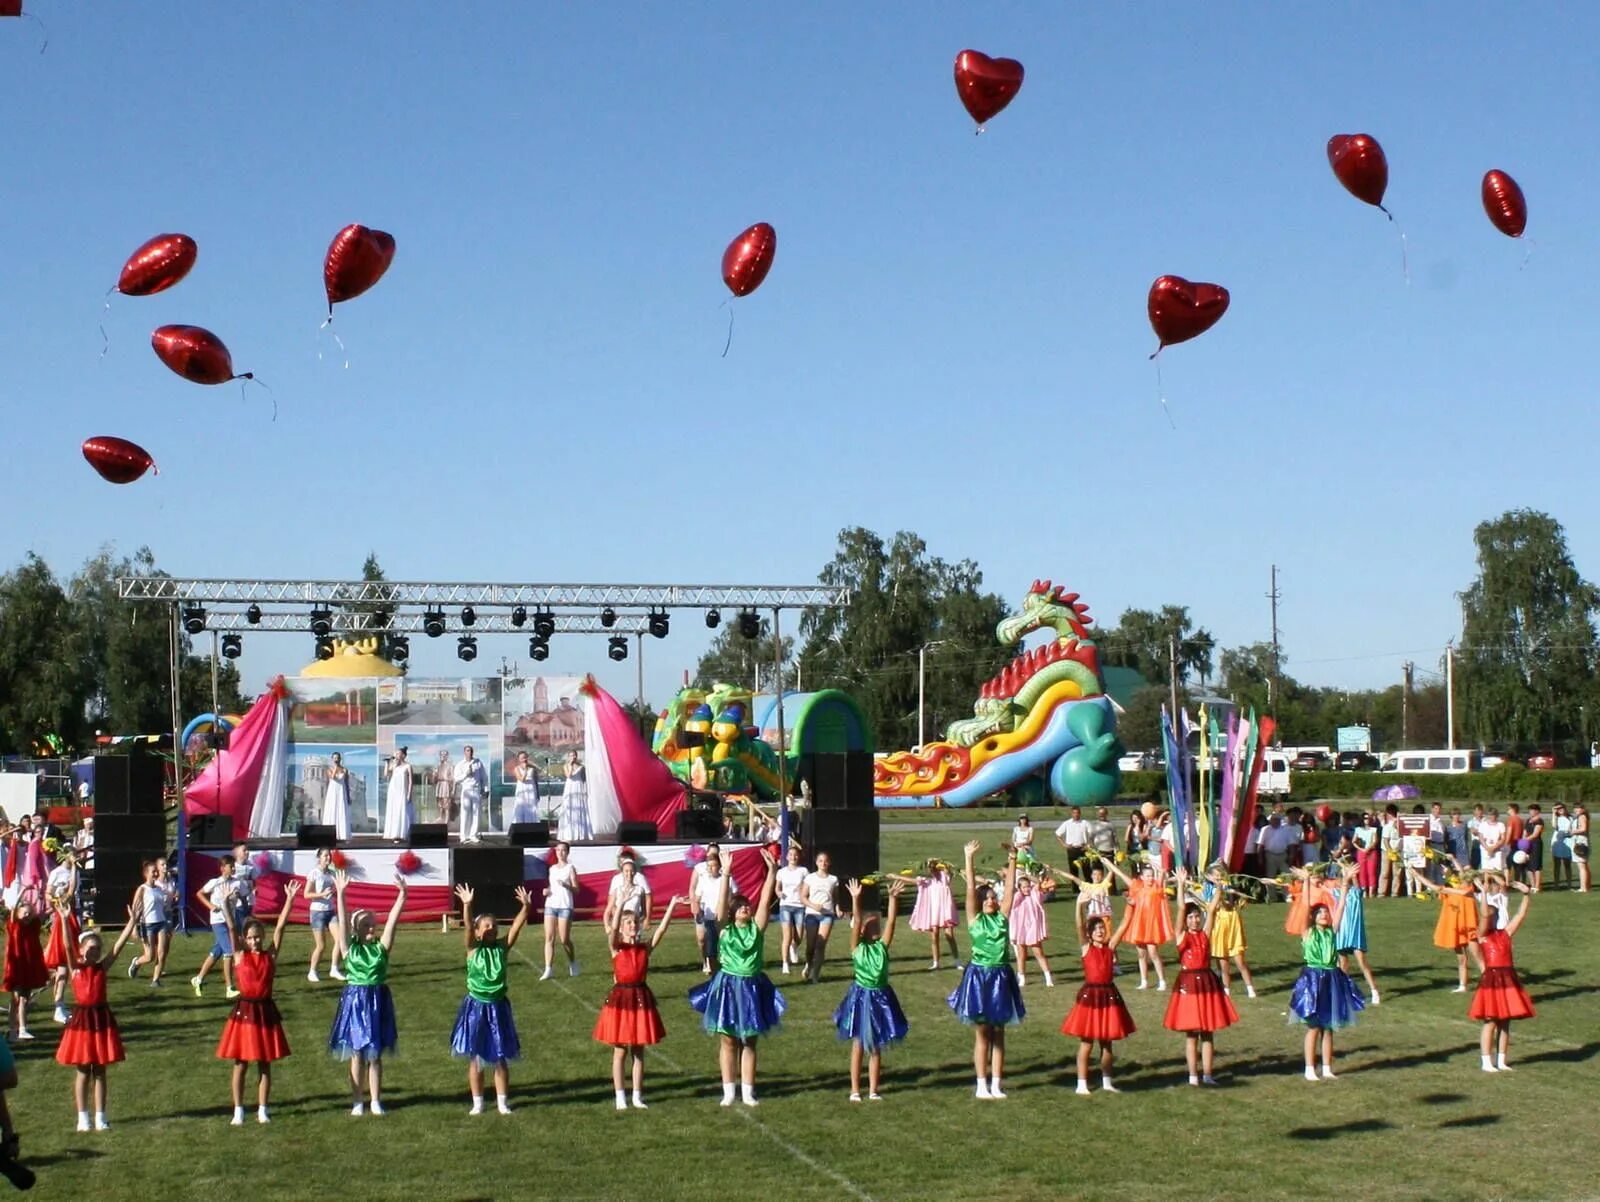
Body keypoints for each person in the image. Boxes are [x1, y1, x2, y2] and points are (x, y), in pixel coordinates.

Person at [687, 847, 783, 1107]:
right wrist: (726, 874)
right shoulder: (724, 929)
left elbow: (764, 901)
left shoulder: (756, 929)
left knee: (749, 1040)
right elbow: (720, 907)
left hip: (752, 985)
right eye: (739, 906)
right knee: (728, 1039)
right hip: (729, 985)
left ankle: (748, 1091)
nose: (744, 909)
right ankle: (729, 1091)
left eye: (746, 906)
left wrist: (772, 873)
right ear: (732, 912)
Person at [217, 881, 298, 1125]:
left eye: (257, 937)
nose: (254, 942)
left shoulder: (269, 956)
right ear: (244, 939)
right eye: (250, 938)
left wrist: (290, 901)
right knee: (240, 1062)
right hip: (245, 1011)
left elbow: (281, 928)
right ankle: (239, 1109)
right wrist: (224, 904)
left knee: (265, 1062)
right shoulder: (240, 956)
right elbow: (231, 928)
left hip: (265, 1011)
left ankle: (263, 1108)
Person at [947, 839, 1024, 1100]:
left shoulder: (1002, 917)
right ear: (980, 902)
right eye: (988, 898)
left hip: (1001, 975)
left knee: (999, 1033)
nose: (992, 901)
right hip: (980, 976)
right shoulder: (974, 919)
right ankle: (981, 1084)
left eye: (994, 898)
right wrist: (967, 857)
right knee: (983, 1032)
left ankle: (997, 1084)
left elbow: (1011, 888)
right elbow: (969, 887)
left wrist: (1014, 859)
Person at [450, 883, 533, 1115]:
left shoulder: (501, 948)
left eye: (494, 925)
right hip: (476, 1006)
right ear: (477, 932)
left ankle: (502, 1102)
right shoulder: (472, 949)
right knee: (476, 1057)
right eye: (486, 926)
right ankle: (477, 1102)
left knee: (499, 1056)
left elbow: (516, 928)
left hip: (498, 1007)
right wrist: (467, 905)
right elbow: (467, 927)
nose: (491, 929)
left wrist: (526, 907)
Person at [595, 895, 684, 1110]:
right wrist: (621, 906)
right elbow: (613, 929)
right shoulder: (616, 947)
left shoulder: (644, 949)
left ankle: (637, 1095)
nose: (632, 926)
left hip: (640, 998)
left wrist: (671, 905)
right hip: (621, 999)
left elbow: (661, 931)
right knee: (620, 1050)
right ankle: (620, 1096)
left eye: (634, 922)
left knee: (638, 1049)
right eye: (628, 923)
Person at [329, 870, 407, 1116]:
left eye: (373, 924)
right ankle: (357, 1101)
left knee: (375, 1054)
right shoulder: (348, 950)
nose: (372, 927)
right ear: (357, 930)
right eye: (366, 925)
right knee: (357, 1053)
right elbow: (341, 922)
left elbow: (392, 922)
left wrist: (402, 896)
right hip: (355, 1000)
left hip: (377, 1000)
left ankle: (375, 1100)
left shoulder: (381, 948)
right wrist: (341, 894)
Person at [55, 906, 138, 1132]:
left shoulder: (102, 967)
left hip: (101, 1020)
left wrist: (132, 922)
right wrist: (64, 920)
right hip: (83, 1021)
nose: (94, 952)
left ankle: (101, 1116)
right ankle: (83, 1117)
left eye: (97, 949)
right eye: (90, 948)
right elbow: (66, 946)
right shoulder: (76, 968)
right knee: (83, 1070)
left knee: (100, 1070)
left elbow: (118, 947)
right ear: (82, 950)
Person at [833, 879, 909, 1102]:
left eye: (877, 924)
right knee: (858, 1043)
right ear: (863, 931)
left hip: (880, 997)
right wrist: (856, 899)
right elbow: (856, 922)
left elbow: (892, 922)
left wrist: (893, 899)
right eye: (872, 924)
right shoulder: (857, 948)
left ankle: (874, 1090)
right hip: (861, 996)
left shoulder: (882, 947)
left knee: (876, 1046)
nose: (877, 926)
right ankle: (855, 1089)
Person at [1163, 870, 1239, 1087]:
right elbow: (1179, 908)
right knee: (1191, 1034)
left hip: (1207, 984)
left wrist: (1218, 886)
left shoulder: (1204, 934)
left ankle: (1207, 1073)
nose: (1195, 920)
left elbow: (1213, 908)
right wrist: (1180, 886)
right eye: (1191, 917)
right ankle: (1193, 1075)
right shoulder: (1182, 936)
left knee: (1207, 1032)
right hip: (1188, 985)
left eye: (1197, 916)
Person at [1061, 891, 1135, 1095]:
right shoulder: (1086, 948)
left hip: (1109, 996)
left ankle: (1107, 1082)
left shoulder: (1110, 947)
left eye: (1102, 928)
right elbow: (1079, 925)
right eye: (1096, 929)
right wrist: (1079, 906)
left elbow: (1123, 926)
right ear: (1090, 933)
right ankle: (1082, 1083)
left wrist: (1131, 906)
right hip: (1091, 997)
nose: (1101, 931)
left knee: (1107, 1042)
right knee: (1087, 1042)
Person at [1289, 890, 1365, 1081]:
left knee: (1329, 1026)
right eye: (1320, 913)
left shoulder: (1332, 931)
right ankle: (1309, 1068)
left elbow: (1340, 907)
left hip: (1331, 978)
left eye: (1326, 912)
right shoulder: (1308, 933)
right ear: (1313, 917)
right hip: (1313, 978)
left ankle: (1327, 1068)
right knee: (1314, 1026)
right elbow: (1305, 906)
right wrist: (1306, 882)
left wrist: (1346, 883)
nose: (1324, 915)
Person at [1471, 880, 1535, 1072]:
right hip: (1492, 979)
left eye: (1492, 914)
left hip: (1507, 977)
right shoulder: (1482, 935)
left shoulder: (1505, 933)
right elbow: (1482, 915)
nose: (1488, 916)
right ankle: (1486, 1061)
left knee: (1505, 1021)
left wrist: (1526, 894)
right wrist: (1482, 893)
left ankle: (1501, 1060)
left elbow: (1520, 915)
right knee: (1490, 1021)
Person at [1410, 861, 1482, 993]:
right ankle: (1463, 985)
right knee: (1461, 958)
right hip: (1456, 927)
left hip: (1468, 927)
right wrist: (1453, 860)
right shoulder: (1453, 888)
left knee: (1478, 957)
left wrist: (1418, 876)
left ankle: (1490, 982)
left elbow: (1435, 887)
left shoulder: (1467, 890)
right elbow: (1447, 882)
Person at [1104, 859, 1170, 991]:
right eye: (1147, 876)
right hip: (1140, 924)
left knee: (1153, 952)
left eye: (1152, 876)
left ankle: (1162, 980)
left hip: (1151, 925)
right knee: (1141, 954)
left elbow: (1162, 876)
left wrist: (1159, 870)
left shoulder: (1156, 888)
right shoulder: (1137, 887)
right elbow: (1121, 874)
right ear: (1142, 877)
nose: (1150, 878)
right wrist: (1108, 863)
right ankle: (1144, 980)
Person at [190, 855, 240, 999]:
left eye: (234, 866)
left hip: (230, 921)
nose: (234, 868)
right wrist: (211, 907)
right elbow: (199, 893)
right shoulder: (215, 883)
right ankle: (229, 988)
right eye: (231, 866)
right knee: (229, 952)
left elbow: (244, 894)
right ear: (223, 868)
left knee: (216, 952)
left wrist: (243, 895)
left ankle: (198, 979)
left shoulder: (237, 883)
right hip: (218, 921)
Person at [896, 857, 959, 971]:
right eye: (931, 868)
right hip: (934, 911)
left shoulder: (944, 878)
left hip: (944, 910)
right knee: (934, 935)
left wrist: (939, 861)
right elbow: (911, 881)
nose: (933, 870)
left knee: (949, 935)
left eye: (934, 868)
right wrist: (894, 876)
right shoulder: (927, 881)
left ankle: (957, 961)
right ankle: (936, 962)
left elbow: (949, 869)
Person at [1203, 863, 1255, 998]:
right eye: (1216, 877)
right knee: (1224, 964)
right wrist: (1220, 892)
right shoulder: (1208, 889)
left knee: (1240, 961)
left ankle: (1250, 988)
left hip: (1232, 926)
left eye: (1221, 877)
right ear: (1209, 877)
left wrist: (1235, 895)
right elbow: (1212, 906)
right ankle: (1226, 990)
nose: (1219, 879)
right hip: (1219, 927)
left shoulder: (1228, 887)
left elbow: (1233, 903)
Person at [1330, 860, 1379, 1004]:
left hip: (1354, 934)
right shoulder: (1335, 894)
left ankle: (1374, 990)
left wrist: (1348, 870)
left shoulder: (1355, 893)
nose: (1338, 881)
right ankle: (1342, 990)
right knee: (1343, 964)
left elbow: (1355, 882)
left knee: (1362, 962)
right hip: (1341, 933)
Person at [3, 890, 47, 1040]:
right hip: (17, 968)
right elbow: (14, 909)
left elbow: (39, 913)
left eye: (29, 913)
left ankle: (18, 1029)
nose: (27, 915)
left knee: (24, 999)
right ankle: (16, 1029)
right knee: (17, 999)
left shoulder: (33, 926)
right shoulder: (15, 926)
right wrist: (23, 892)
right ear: (18, 914)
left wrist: (38, 896)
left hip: (29, 967)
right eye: (24, 913)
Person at [42, 851, 79, 1024]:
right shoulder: (57, 872)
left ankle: (59, 1002)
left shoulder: (75, 871)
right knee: (63, 965)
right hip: (61, 918)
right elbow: (53, 892)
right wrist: (56, 899)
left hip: (71, 918)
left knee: (64, 967)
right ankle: (58, 1004)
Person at [540, 841, 580, 980]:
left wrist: (566, 885)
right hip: (551, 904)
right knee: (549, 938)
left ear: (567, 852)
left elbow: (576, 889)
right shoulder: (552, 869)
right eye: (558, 850)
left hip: (565, 906)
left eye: (563, 850)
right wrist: (547, 891)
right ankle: (548, 969)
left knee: (564, 939)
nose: (560, 853)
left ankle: (573, 962)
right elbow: (552, 887)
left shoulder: (570, 868)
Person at [127, 860, 170, 986]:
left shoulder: (159, 889)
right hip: (147, 925)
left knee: (161, 953)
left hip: (161, 923)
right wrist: (134, 928)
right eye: (153, 872)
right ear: (146, 874)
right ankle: (136, 963)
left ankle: (155, 980)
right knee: (150, 956)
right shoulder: (142, 889)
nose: (156, 873)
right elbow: (135, 910)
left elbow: (163, 906)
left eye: (156, 871)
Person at [1007, 871, 1053, 987]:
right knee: (1021, 955)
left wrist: (1027, 876)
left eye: (1028, 886)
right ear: (1019, 888)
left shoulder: (1034, 895)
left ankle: (1048, 977)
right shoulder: (1017, 897)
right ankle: (1021, 977)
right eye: (1024, 887)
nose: (1026, 889)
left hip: (1032, 929)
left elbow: (1039, 883)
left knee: (1039, 953)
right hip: (1021, 929)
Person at [801, 851, 842, 983]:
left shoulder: (833, 879)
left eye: (825, 861)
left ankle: (815, 975)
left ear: (829, 863)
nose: (823, 863)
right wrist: (813, 906)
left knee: (821, 944)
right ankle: (808, 964)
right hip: (812, 914)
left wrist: (837, 909)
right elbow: (803, 897)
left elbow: (835, 898)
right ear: (816, 862)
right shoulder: (810, 878)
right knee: (810, 945)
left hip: (827, 915)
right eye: (820, 861)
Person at [305, 847, 343, 982]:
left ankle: (334, 968)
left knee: (340, 939)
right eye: (325, 856)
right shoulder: (314, 873)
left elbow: (336, 890)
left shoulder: (332, 873)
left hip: (330, 911)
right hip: (317, 912)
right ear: (319, 858)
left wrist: (337, 891)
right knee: (321, 945)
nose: (328, 858)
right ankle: (312, 971)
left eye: (329, 856)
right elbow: (306, 894)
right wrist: (322, 894)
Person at [690, 844, 727, 976]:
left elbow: (733, 894)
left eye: (714, 865)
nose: (711, 868)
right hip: (707, 916)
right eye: (709, 866)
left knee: (721, 941)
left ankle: (721, 964)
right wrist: (696, 907)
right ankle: (707, 961)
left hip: (721, 917)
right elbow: (697, 896)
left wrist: (725, 906)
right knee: (705, 940)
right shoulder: (703, 879)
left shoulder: (726, 878)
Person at [775, 845, 808, 974]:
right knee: (787, 935)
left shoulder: (803, 871)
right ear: (787, 857)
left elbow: (808, 885)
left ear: (798, 857)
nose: (793, 857)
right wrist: (778, 893)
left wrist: (802, 887)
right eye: (791, 855)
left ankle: (794, 947)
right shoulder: (781, 872)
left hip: (799, 905)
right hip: (785, 905)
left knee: (799, 935)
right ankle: (785, 963)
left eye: (795, 855)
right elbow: (777, 887)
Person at [603, 851, 652, 931]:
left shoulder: (640, 890)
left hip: (633, 927)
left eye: (631, 871)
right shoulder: (617, 890)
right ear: (622, 872)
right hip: (619, 927)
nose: (629, 874)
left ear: (635, 871)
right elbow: (608, 910)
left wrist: (640, 920)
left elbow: (644, 911)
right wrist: (607, 926)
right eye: (626, 871)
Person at [454, 746, 489, 844]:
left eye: (471, 751)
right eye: (468, 751)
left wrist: (486, 789)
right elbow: (456, 779)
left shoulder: (478, 762)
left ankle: (473, 835)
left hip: (476, 790)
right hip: (466, 790)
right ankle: (463, 836)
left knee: (476, 813)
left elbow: (484, 777)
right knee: (465, 813)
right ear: (464, 752)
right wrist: (466, 774)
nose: (470, 752)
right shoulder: (460, 764)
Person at [558, 751, 592, 843]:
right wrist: (570, 765)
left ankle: (580, 832)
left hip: (579, 787)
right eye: (571, 756)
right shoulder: (566, 766)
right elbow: (569, 775)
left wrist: (585, 791)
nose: (573, 757)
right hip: (570, 788)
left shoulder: (581, 767)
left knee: (579, 808)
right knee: (570, 808)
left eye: (574, 755)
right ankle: (569, 832)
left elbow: (585, 780)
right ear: (568, 757)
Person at [383, 748, 414, 841]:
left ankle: (402, 834)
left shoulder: (408, 766)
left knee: (402, 811)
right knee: (394, 811)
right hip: (393, 790)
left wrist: (409, 794)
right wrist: (387, 762)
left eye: (398, 753)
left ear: (403, 755)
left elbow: (411, 781)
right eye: (395, 754)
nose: (396, 755)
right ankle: (393, 833)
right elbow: (386, 774)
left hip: (402, 791)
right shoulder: (394, 765)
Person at [1259, 813, 1296, 883]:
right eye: (1273, 820)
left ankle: (1287, 893)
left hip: (1283, 855)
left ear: (1279, 820)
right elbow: (1260, 845)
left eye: (1276, 820)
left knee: (1287, 876)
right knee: (1270, 877)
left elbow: (1291, 845)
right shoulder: (1265, 829)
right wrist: (1260, 858)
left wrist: (1291, 856)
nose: (1275, 821)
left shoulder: (1286, 829)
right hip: (1270, 856)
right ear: (1270, 821)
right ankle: (1271, 893)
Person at [322, 753, 351, 841]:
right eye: (334, 758)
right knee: (332, 809)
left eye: (337, 758)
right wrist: (335, 767)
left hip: (341, 792)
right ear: (332, 759)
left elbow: (346, 783)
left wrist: (348, 796)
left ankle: (342, 834)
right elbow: (333, 777)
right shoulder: (329, 769)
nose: (336, 759)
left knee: (341, 810)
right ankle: (331, 834)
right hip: (333, 792)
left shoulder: (345, 770)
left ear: (340, 759)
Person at [1053, 806, 1090, 876]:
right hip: (1072, 849)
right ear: (1071, 814)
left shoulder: (1084, 823)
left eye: (1077, 813)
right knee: (1073, 871)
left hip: (1083, 849)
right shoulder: (1067, 823)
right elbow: (1058, 834)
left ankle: (1088, 886)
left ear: (1080, 813)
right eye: (1074, 813)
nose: (1076, 814)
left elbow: (1092, 833)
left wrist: (1088, 844)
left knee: (1086, 870)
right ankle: (1075, 887)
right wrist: (1064, 844)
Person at [1521, 804, 1545, 892]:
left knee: (1536, 866)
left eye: (1533, 810)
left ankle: (1537, 886)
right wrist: (1523, 842)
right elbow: (1525, 832)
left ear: (1537, 811)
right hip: (1527, 844)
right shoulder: (1528, 820)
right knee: (1528, 865)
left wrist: (1525, 840)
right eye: (1530, 810)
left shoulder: (1539, 821)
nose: (1531, 811)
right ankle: (1533, 885)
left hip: (1536, 844)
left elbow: (1535, 834)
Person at [1550, 803, 1574, 889]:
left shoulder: (1570, 818)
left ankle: (1569, 884)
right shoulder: (1556, 818)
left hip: (1567, 841)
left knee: (1567, 864)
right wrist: (1553, 813)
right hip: (1557, 841)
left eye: (1561, 808)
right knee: (1557, 864)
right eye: (1558, 808)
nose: (1560, 809)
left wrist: (1567, 833)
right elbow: (1554, 826)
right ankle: (1556, 885)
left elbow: (1571, 830)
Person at [1477, 808, 1508, 873]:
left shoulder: (1501, 825)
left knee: (1497, 869)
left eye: (1493, 815)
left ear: (1496, 815)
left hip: (1497, 849)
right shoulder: (1483, 824)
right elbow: (1481, 837)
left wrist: (1493, 848)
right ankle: (1487, 882)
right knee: (1486, 869)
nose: (1491, 816)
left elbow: (1503, 838)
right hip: (1485, 849)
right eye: (1489, 815)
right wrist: (1487, 848)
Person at [434, 750, 456, 826]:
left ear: (447, 756)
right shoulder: (438, 765)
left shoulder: (450, 765)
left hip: (446, 784)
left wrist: (453, 789)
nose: (443, 756)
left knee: (446, 802)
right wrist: (434, 775)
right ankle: (440, 817)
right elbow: (435, 778)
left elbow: (453, 778)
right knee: (439, 802)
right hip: (439, 784)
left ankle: (447, 819)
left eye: (444, 755)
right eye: (441, 755)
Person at [1574, 804, 1591, 893]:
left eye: (1578, 808)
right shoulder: (1584, 816)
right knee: (1584, 865)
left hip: (1581, 841)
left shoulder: (1581, 816)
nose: (1576, 809)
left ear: (1583, 809)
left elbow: (1583, 828)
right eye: (1575, 808)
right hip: (1584, 841)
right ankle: (1587, 886)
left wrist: (1572, 831)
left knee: (1581, 865)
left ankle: (1583, 888)